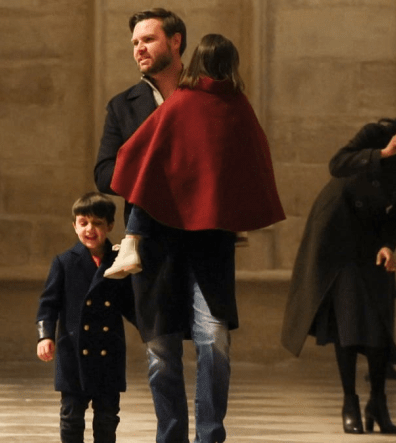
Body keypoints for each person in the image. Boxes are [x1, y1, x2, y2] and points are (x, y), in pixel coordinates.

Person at [103, 33, 285, 443]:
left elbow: (247, 160)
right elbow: (141, 158)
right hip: (161, 244)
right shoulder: (181, 103)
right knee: (161, 351)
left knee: (213, 341)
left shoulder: (234, 106)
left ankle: (209, 436)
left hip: (210, 244)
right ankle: (171, 437)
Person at [281, 97, 396, 435]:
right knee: (347, 317)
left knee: (377, 316)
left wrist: (388, 245)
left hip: (373, 233)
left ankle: (377, 401)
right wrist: (383, 153)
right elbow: (337, 164)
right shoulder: (377, 133)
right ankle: (350, 401)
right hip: (338, 227)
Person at [35, 192, 136, 443]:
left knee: (107, 417)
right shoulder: (64, 262)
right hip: (73, 352)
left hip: (108, 352)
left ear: (110, 226)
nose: (90, 229)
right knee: (71, 416)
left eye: (97, 223)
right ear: (75, 226)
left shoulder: (120, 261)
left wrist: (152, 330)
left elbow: (132, 305)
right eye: (84, 223)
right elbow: (48, 304)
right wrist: (45, 336)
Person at [94, 8, 186, 224]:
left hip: (206, 235)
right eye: (135, 43)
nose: (139, 49)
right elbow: (104, 174)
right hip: (149, 234)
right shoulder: (121, 106)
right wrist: (156, 174)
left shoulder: (208, 94)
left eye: (148, 39)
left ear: (175, 41)